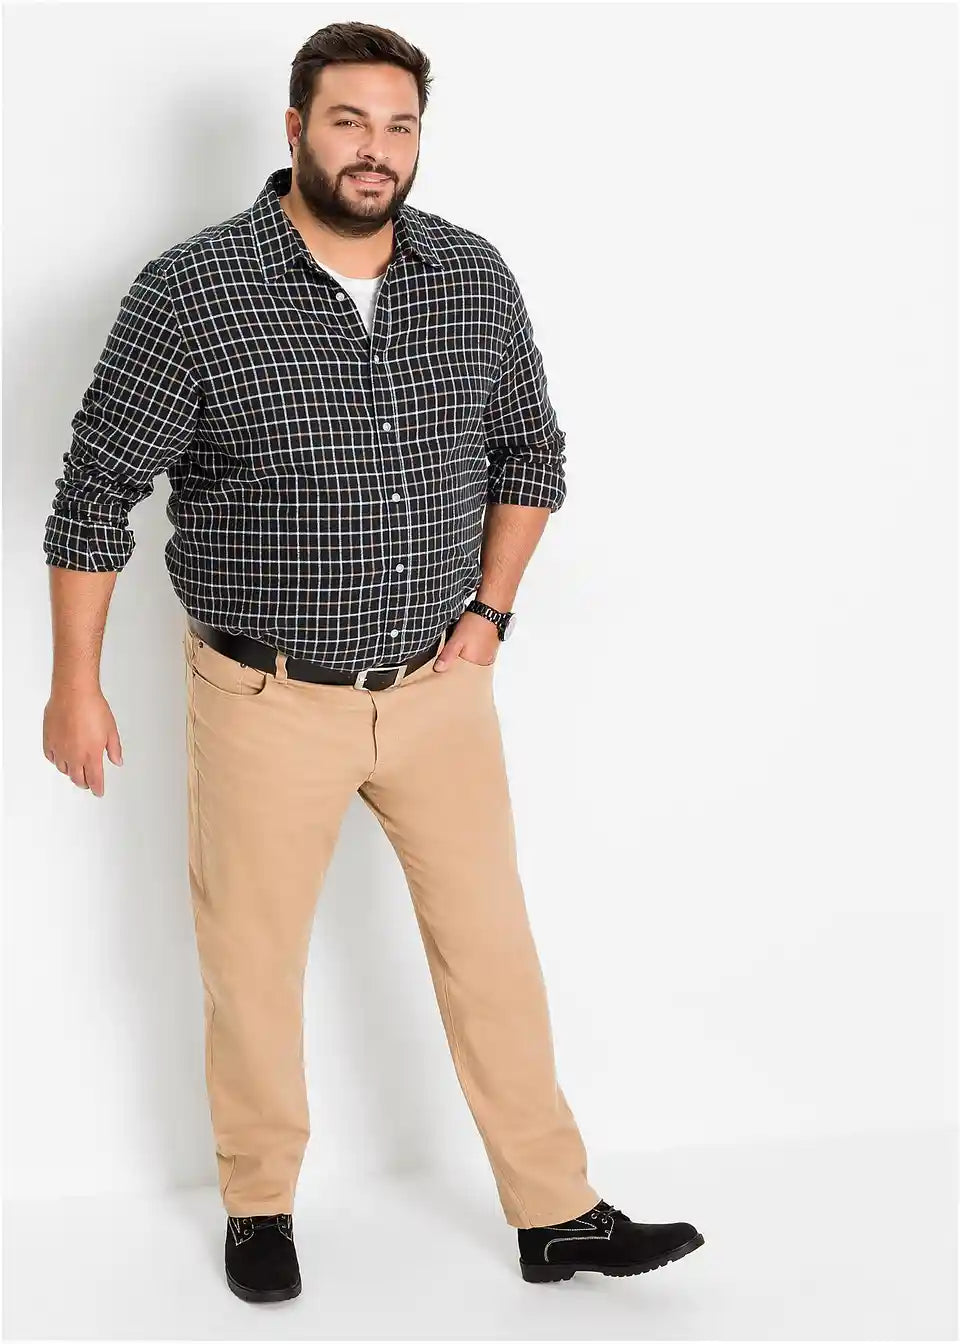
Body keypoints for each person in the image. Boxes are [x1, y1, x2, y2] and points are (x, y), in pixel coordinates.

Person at [42, 20, 704, 1303]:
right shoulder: (192, 293)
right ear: (295, 130)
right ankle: (259, 1204)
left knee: (492, 950)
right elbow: (92, 496)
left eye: (399, 126)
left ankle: (556, 1214)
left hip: (439, 691)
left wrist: (491, 616)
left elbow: (533, 454)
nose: (375, 149)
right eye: (349, 121)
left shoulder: (471, 274)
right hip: (265, 695)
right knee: (252, 963)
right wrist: (76, 684)